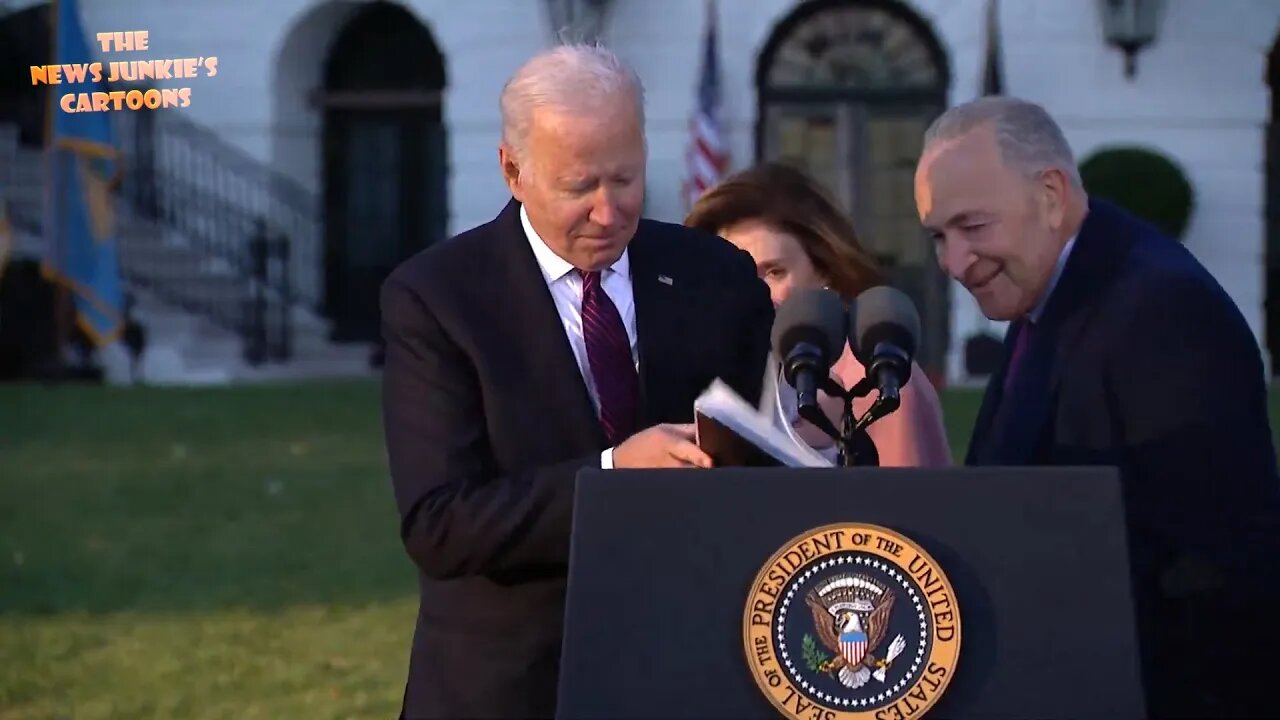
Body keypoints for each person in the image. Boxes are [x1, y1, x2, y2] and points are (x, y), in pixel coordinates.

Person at [378, 44, 774, 719]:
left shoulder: (716, 276)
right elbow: (441, 524)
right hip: (512, 689)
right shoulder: (437, 298)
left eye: (625, 179)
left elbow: (762, 464)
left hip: (685, 673)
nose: (608, 211)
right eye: (579, 187)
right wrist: (614, 473)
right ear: (513, 170)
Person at [914, 95, 1280, 717]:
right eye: (938, 237)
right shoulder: (1052, 290)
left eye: (972, 227)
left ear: (1051, 196)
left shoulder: (1161, 311)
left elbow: (1214, 573)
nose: (953, 262)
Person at [685, 162, 951, 467]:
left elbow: (906, 494)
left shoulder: (877, 373)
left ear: (824, 270)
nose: (753, 292)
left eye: (774, 272)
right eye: (735, 276)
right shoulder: (723, 366)